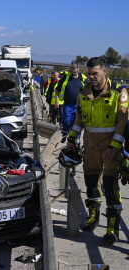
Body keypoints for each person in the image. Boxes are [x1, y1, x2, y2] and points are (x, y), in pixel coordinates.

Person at [66, 57, 128, 244]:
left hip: (111, 149)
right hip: (90, 148)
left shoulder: (119, 93)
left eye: (95, 73)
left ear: (105, 72)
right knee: (91, 183)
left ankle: (112, 226)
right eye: (89, 73)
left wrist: (114, 148)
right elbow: (79, 119)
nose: (91, 77)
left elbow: (123, 124)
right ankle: (93, 216)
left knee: (110, 186)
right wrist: (71, 138)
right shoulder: (83, 92)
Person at [56, 64, 89, 137]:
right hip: (68, 104)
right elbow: (57, 89)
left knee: (77, 124)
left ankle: (75, 140)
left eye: (74, 72)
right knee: (66, 122)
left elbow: (90, 86)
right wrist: (57, 101)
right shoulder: (65, 77)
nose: (73, 73)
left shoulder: (82, 77)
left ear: (78, 70)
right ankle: (65, 135)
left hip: (79, 105)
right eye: (71, 71)